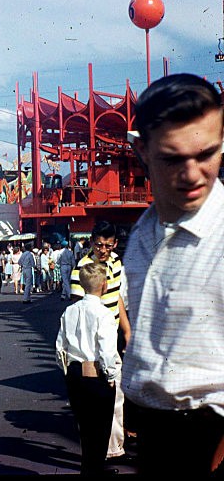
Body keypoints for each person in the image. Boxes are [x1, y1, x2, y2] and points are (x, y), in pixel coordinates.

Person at [121, 73, 224, 477]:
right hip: (153, 433)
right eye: (172, 158)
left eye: (208, 154)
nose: (194, 173)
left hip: (210, 440)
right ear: (140, 150)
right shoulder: (141, 236)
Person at [69, 220, 132, 463]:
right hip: (91, 344)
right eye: (98, 245)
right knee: (94, 400)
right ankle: (97, 453)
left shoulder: (116, 262)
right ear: (91, 242)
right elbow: (77, 310)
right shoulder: (82, 268)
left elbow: (117, 299)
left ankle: (114, 449)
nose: (102, 250)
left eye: (107, 245)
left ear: (114, 244)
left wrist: (126, 331)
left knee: (116, 395)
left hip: (111, 337)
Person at [56, 262, 119, 476]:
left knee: (84, 427)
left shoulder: (69, 311)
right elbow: (107, 350)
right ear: (104, 285)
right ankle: (95, 470)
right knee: (100, 430)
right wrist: (111, 375)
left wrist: (67, 371)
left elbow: (60, 347)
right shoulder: (104, 314)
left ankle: (89, 469)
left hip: (74, 373)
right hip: (96, 373)